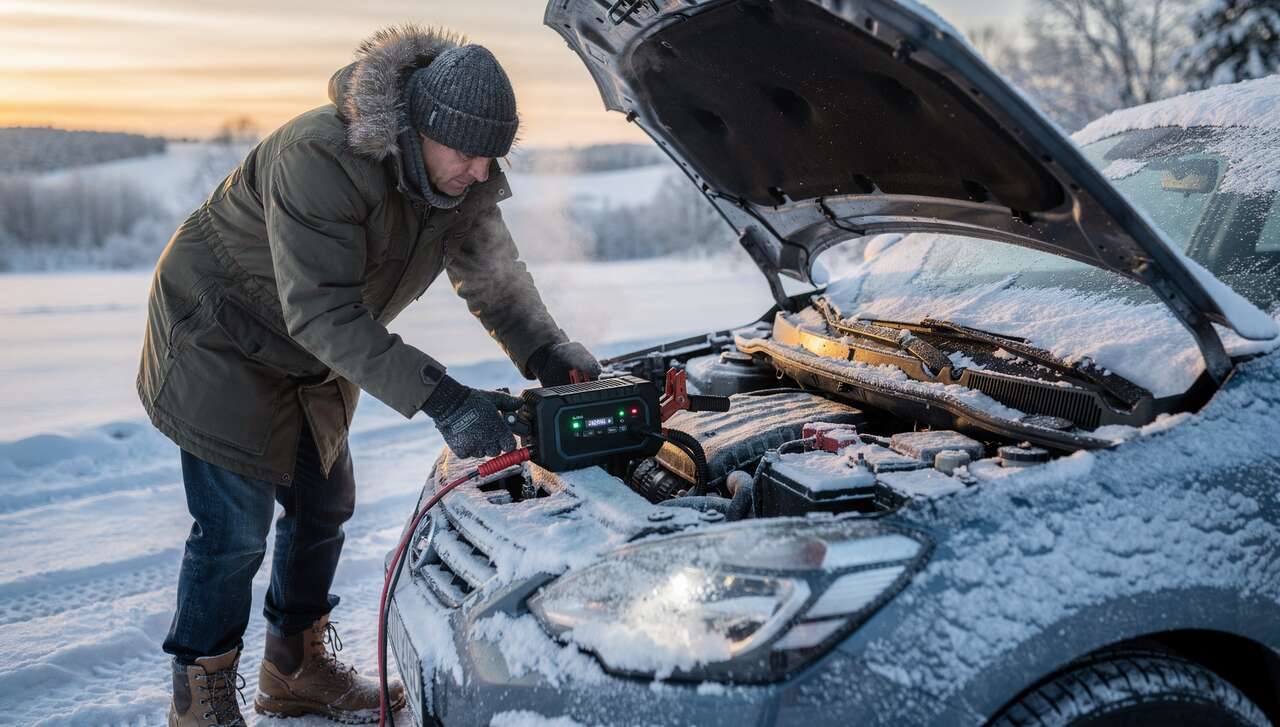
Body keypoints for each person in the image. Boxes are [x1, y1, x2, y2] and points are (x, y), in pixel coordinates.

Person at [137, 25, 600, 726]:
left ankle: (294, 668)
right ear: (423, 129)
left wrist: (547, 354)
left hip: (311, 348)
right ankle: (198, 698)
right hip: (220, 333)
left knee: (324, 503)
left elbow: (496, 284)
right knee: (234, 528)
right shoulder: (319, 157)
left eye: (493, 158)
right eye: (471, 154)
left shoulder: (455, 184)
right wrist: (444, 396)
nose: (483, 173)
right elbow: (320, 312)